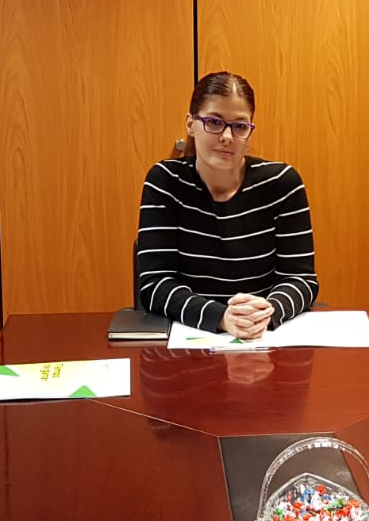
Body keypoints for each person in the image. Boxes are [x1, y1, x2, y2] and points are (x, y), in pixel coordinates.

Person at [136, 71, 318, 338]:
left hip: (264, 336)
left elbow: (301, 280)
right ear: (190, 124)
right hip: (190, 339)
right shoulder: (165, 181)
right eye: (214, 122)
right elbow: (155, 283)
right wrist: (221, 317)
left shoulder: (282, 184)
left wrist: (266, 312)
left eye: (240, 126)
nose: (227, 136)